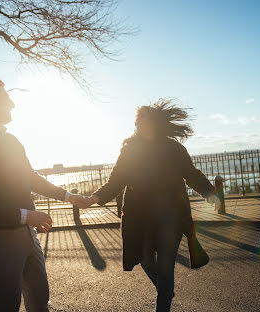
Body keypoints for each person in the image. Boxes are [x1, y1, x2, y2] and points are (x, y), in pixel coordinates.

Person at [0, 78, 87, 312]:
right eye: (5, 98)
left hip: (27, 235)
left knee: (39, 302)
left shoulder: (11, 141)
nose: (12, 104)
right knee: (6, 306)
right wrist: (26, 216)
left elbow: (30, 177)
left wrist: (68, 196)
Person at [84, 98, 219, 312]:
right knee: (145, 261)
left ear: (155, 123)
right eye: (138, 121)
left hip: (172, 218)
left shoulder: (174, 148)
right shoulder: (129, 149)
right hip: (141, 219)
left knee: (166, 269)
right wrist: (94, 198)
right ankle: (166, 289)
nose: (140, 125)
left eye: (144, 121)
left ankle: (164, 294)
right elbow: (116, 181)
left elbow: (191, 175)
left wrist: (210, 193)